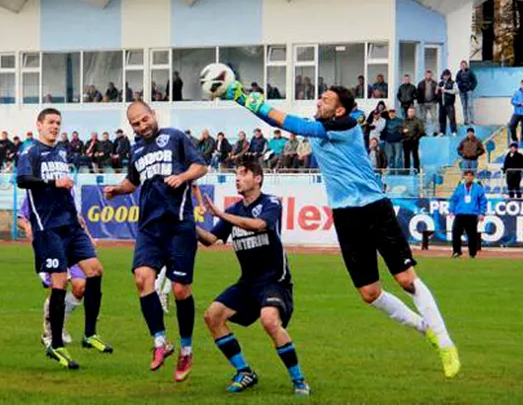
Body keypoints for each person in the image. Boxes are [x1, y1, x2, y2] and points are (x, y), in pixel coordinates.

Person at [223, 81, 460, 378]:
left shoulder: (344, 125)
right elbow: (285, 122)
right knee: (369, 293)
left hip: (374, 208)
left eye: (326, 99)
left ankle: (446, 342)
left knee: (404, 279)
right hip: (346, 216)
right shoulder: (322, 126)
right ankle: (425, 328)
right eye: (320, 97)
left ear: (340, 109)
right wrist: (245, 102)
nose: (319, 101)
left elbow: (294, 123)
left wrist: (248, 98)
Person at [103, 101, 207, 382]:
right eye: (135, 123)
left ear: (153, 115)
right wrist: (117, 190)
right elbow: (132, 182)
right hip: (149, 228)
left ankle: (186, 349)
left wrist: (182, 176)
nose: (141, 126)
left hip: (179, 225)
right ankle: (160, 343)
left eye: (144, 119)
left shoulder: (175, 137)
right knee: (141, 279)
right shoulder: (136, 149)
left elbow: (201, 166)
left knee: (180, 289)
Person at [197, 161, 310, 395]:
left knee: (269, 320)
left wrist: (220, 214)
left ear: (257, 178)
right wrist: (187, 223)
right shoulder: (235, 210)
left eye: (243, 174)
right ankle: (244, 371)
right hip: (248, 282)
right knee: (212, 316)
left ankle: (299, 380)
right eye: (236, 174)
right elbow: (210, 239)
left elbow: (260, 225)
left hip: (274, 281)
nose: (237, 178)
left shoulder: (271, 202)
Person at [17, 108, 111, 369]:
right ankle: (56, 345)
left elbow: (65, 186)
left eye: (58, 123)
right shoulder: (30, 151)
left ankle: (90, 334)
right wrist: (53, 183)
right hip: (49, 228)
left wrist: (77, 215)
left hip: (71, 224)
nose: (55, 127)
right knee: (59, 282)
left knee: (95, 271)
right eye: (50, 122)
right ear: (39, 125)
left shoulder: (61, 151)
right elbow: (22, 179)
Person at [16, 194, 92, 348]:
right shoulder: (36, 191)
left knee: (80, 287)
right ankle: (50, 331)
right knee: (58, 288)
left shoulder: (69, 192)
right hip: (50, 244)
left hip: (71, 244)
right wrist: (27, 226)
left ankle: (60, 320)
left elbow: (77, 218)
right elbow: (20, 218)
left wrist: (88, 237)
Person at [449, 170, 487, 259]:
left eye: (470, 176)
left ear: (473, 178)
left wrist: (481, 213)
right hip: (460, 214)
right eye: (466, 176)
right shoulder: (459, 188)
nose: (468, 177)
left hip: (472, 214)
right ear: (464, 177)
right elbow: (453, 199)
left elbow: (483, 201)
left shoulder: (478, 188)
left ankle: (472, 254)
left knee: (472, 235)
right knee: (455, 232)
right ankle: (457, 251)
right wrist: (451, 210)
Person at [402, 107, 426, 172]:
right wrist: (402, 131)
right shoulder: (404, 121)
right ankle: (406, 170)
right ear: (407, 112)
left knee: (415, 156)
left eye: (412, 111)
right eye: (409, 111)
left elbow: (421, 131)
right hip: (406, 141)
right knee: (406, 157)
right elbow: (400, 129)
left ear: (414, 112)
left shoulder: (418, 121)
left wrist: (415, 138)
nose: (410, 113)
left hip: (414, 141)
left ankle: (417, 170)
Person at [417, 70, 439, 136]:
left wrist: (436, 100)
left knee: (434, 118)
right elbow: (418, 93)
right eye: (427, 75)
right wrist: (419, 102)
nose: (428, 76)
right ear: (425, 75)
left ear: (431, 75)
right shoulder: (420, 83)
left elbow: (437, 93)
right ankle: (423, 132)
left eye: (430, 75)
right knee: (423, 118)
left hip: (432, 103)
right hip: (423, 103)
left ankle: (435, 131)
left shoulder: (435, 83)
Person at [455, 61, 477, 125]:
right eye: (462, 65)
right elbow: (457, 81)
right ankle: (466, 121)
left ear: (466, 65)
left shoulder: (470, 72)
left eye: (464, 65)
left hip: (468, 91)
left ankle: (472, 120)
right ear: (460, 66)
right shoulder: (459, 73)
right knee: (464, 106)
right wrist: (459, 87)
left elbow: (475, 81)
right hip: (462, 92)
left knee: (470, 106)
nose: (463, 66)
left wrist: (471, 88)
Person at [438, 69, 458, 136]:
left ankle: (454, 131)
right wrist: (437, 90)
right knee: (442, 118)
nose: (445, 77)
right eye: (444, 75)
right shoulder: (440, 83)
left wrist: (446, 90)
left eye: (447, 75)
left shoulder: (453, 83)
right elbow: (437, 92)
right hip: (442, 104)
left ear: (449, 75)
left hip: (450, 104)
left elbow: (456, 91)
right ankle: (442, 132)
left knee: (452, 118)